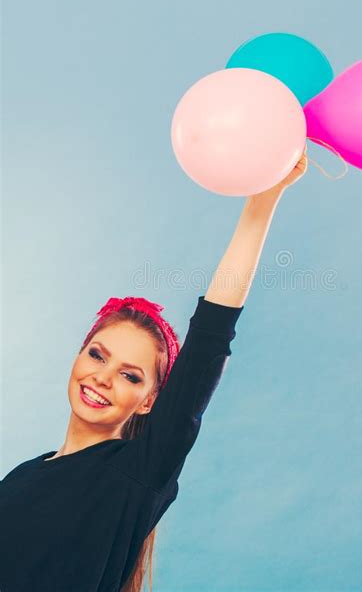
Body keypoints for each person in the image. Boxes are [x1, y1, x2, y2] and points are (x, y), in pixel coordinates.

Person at [0, 149, 308, 592]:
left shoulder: (136, 473)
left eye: (130, 375)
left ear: (150, 400)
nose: (103, 377)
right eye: (97, 355)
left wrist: (263, 199)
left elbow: (208, 340)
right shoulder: (23, 476)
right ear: (78, 355)